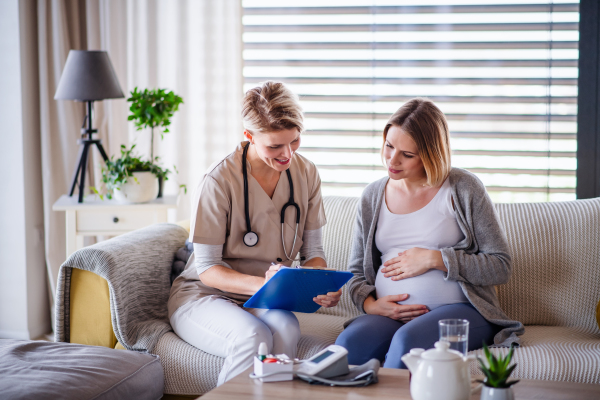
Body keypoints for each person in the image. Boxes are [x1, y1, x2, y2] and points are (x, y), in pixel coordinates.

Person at [168, 81, 342, 385]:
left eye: (295, 141)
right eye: (275, 146)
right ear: (249, 136)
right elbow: (208, 269)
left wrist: (316, 283)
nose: (287, 154)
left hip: (265, 299)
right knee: (252, 335)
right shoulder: (218, 180)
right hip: (206, 295)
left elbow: (314, 254)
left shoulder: (307, 173)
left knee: (286, 328)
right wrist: (267, 282)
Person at [335, 98, 524, 368]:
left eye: (407, 155)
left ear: (431, 154)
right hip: (390, 314)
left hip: (461, 312)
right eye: (389, 146)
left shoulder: (463, 188)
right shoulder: (372, 196)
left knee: (406, 343)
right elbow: (355, 272)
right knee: (347, 347)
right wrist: (371, 306)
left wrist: (436, 259)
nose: (392, 159)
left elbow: (500, 266)